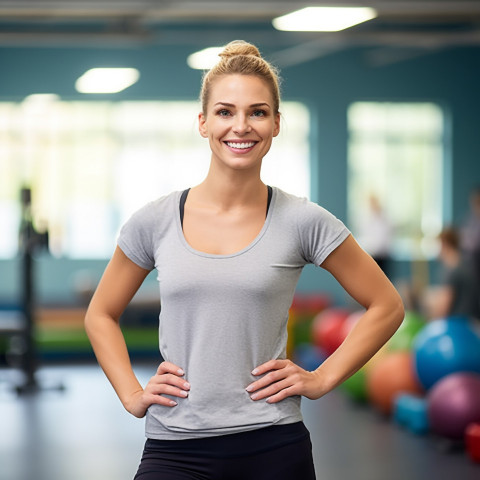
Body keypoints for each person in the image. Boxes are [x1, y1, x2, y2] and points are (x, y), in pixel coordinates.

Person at [84, 40, 404, 480]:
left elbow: (387, 305)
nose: (241, 126)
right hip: (176, 446)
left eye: (257, 112)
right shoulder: (154, 220)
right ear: (202, 123)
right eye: (224, 112)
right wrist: (131, 394)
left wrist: (322, 378)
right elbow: (100, 314)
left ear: (276, 123)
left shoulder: (303, 220)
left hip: (272, 444)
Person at [424, 226, 480, 321]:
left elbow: (442, 309)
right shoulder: (464, 265)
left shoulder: (453, 270)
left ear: (444, 245)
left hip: (458, 325)